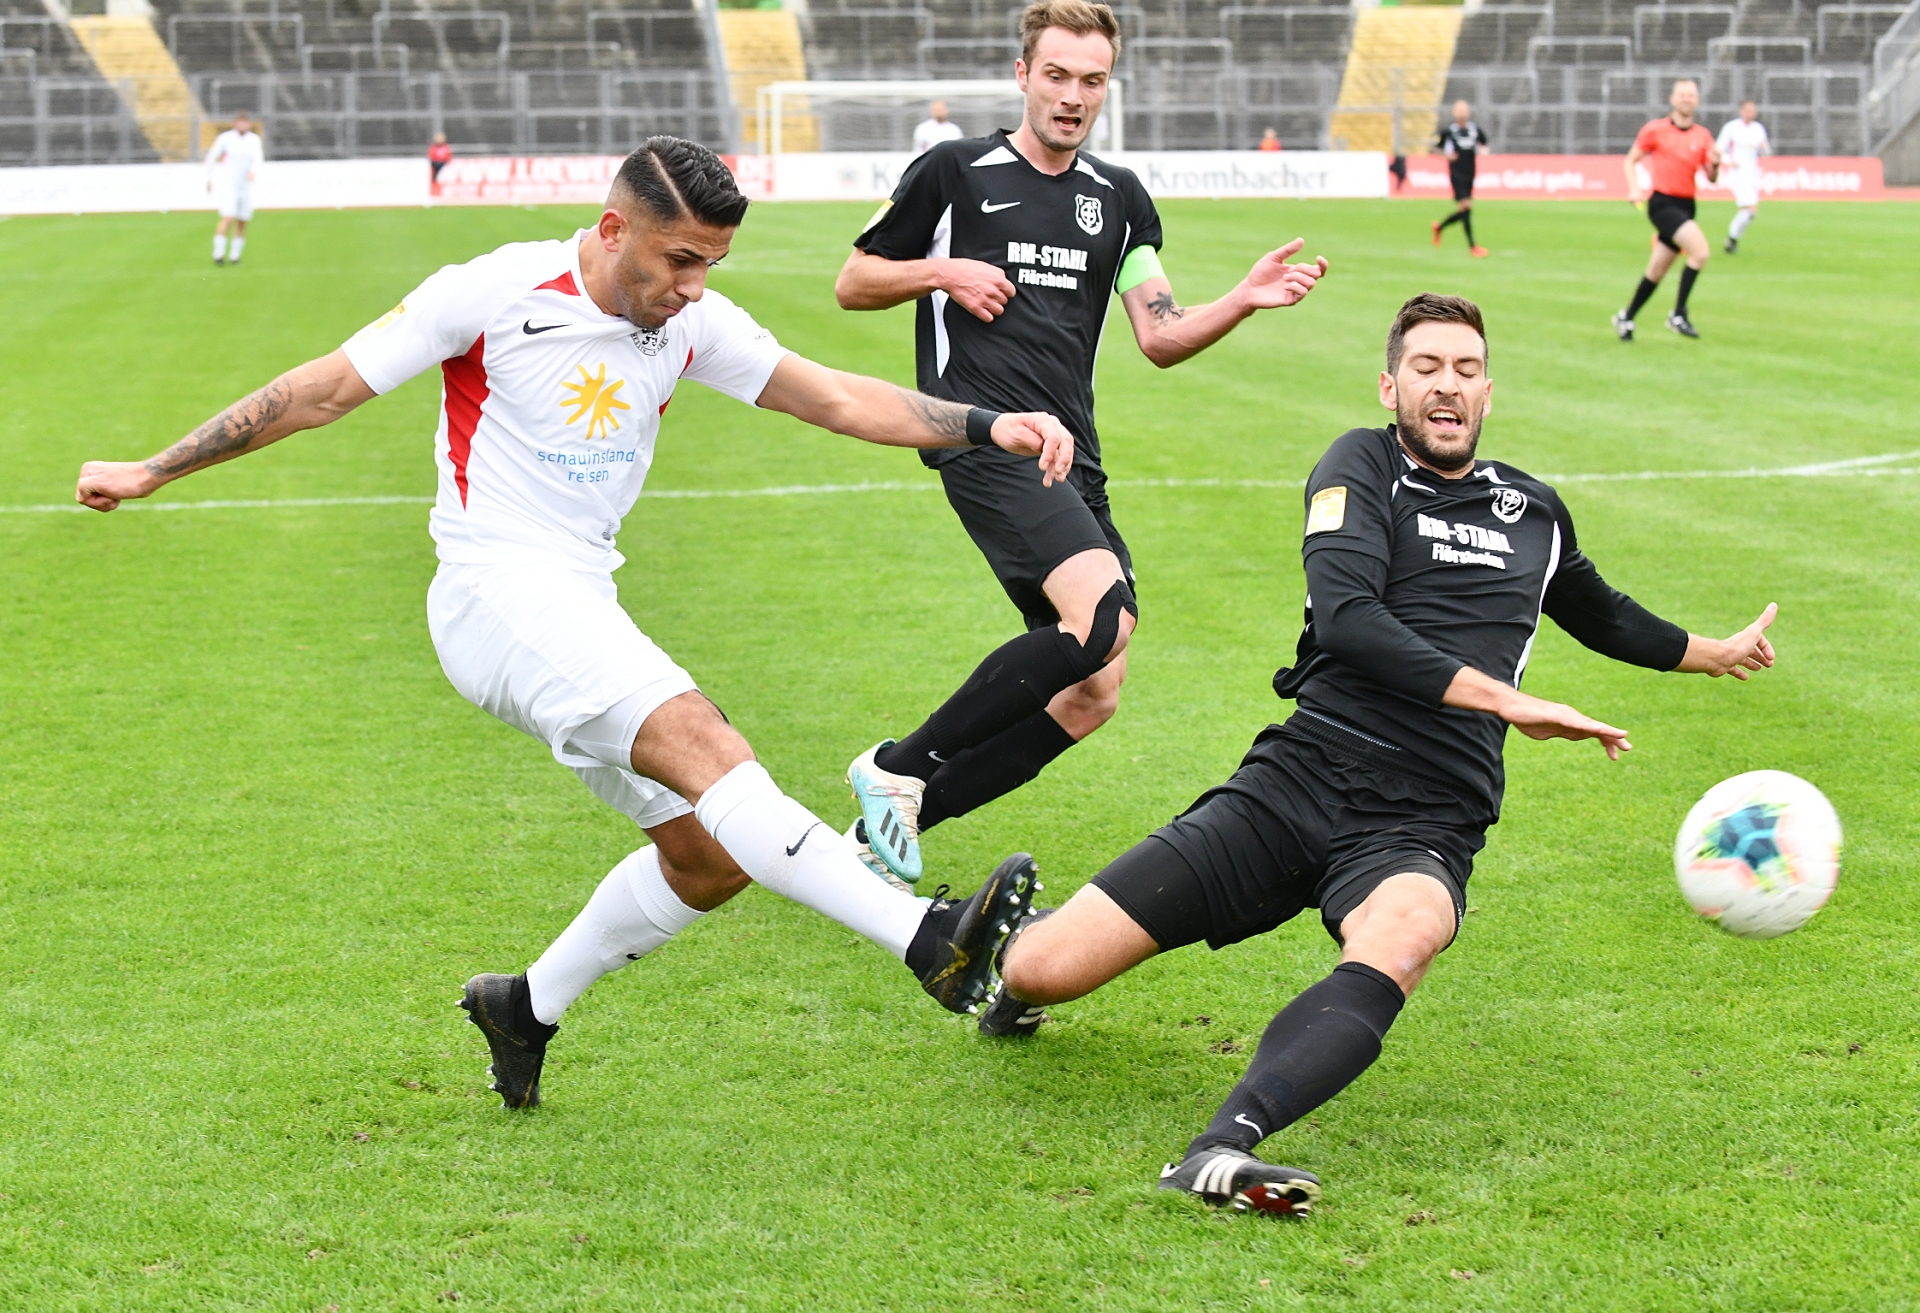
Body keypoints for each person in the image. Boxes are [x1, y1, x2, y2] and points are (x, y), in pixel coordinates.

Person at [72, 137, 1070, 1110]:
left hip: (581, 595)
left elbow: (839, 398)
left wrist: (990, 425)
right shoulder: (494, 291)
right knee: (706, 744)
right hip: (492, 590)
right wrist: (152, 469)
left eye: (712, 265)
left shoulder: (692, 319)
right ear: (613, 228)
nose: (694, 287)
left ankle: (525, 1007)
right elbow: (322, 390)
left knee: (709, 856)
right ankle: (928, 938)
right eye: (680, 259)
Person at [984, 293, 1780, 1215]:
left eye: (1467, 370)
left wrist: (1713, 651)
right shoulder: (1360, 465)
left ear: (1488, 393)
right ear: (1390, 385)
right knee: (1042, 969)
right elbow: (1349, 619)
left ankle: (1221, 1147)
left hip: (1428, 813)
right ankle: (1003, 953)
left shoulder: (1534, 510)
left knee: (1406, 933)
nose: (1448, 385)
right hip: (1302, 777)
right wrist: (1507, 700)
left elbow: (1603, 613)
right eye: (1427, 367)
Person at [832, 0, 1328, 889]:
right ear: (1023, 75)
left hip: (1074, 456)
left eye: (1091, 81)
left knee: (1095, 688)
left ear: (1107, 86)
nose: (1072, 96)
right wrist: (942, 270)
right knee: (1103, 616)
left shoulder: (1118, 198)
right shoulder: (953, 171)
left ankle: (885, 831)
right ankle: (897, 768)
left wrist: (1241, 300)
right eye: (1056, 76)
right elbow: (854, 279)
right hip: (983, 435)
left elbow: (1160, 334)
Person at [1613, 79, 1720, 341]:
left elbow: (1711, 177)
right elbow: (1631, 159)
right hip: (1663, 203)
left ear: (1697, 100)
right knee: (1700, 253)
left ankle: (1626, 317)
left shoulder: (1702, 136)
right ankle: (1678, 314)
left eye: (1691, 95)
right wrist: (1634, 188)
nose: (1687, 99)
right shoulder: (1656, 130)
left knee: (1656, 271)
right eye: (1682, 95)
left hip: (1687, 205)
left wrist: (1716, 165)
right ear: (1673, 99)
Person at [1430, 100, 1489, 258]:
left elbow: (1485, 143)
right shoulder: (1449, 132)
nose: (1462, 113)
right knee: (1466, 205)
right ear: (1454, 113)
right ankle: (1473, 246)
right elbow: (1433, 148)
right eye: (1459, 110)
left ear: (1468, 112)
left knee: (1465, 209)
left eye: (1464, 110)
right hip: (1456, 174)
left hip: (1470, 173)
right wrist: (1446, 155)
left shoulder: (1474, 130)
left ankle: (1439, 227)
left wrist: (1484, 150)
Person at [205, 114, 263, 266]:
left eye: (245, 123)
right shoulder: (225, 138)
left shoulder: (254, 140)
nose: (242, 125)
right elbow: (212, 156)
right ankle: (218, 253)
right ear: (235, 124)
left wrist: (253, 171)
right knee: (228, 217)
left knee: (243, 220)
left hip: (245, 186)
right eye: (240, 122)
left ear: (249, 124)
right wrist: (209, 178)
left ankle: (235, 256)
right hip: (229, 185)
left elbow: (258, 158)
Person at [1716, 100, 1770, 254]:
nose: (1750, 113)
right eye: (1747, 110)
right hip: (1738, 174)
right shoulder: (1731, 128)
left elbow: (1766, 151)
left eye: (1753, 110)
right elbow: (1719, 149)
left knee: (1750, 212)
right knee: (1750, 210)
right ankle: (1731, 240)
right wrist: (1729, 161)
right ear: (1741, 111)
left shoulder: (1758, 129)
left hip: (1753, 174)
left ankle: (1731, 241)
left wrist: (1764, 148)